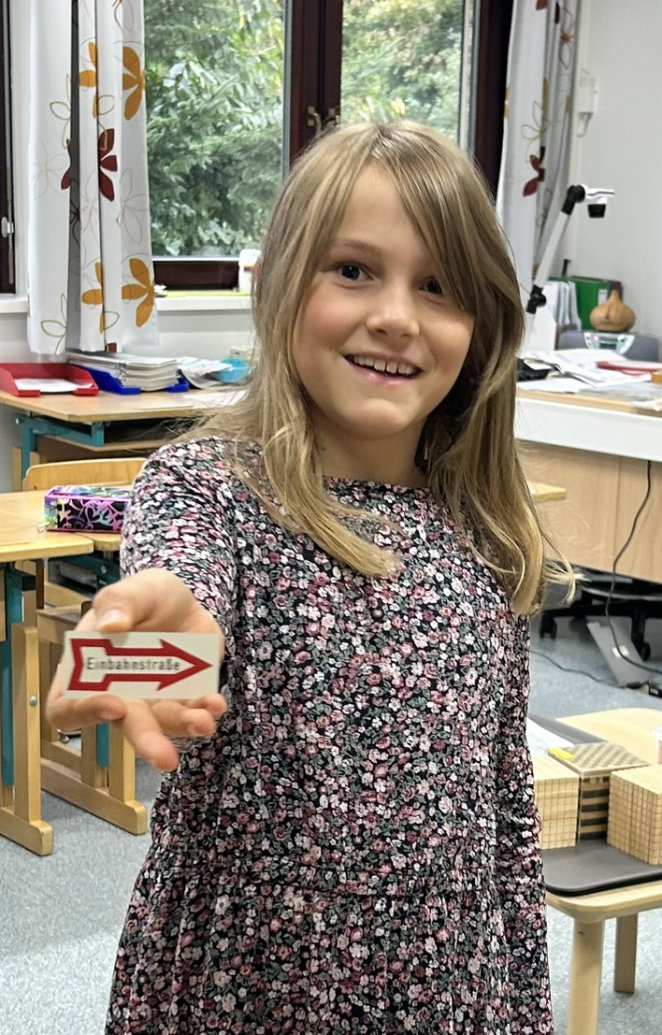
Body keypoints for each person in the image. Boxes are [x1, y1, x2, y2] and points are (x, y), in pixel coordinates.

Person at [47, 120, 568, 1034]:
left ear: (481, 324)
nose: (397, 316)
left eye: (438, 285)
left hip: (449, 986)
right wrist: (123, 658)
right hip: (248, 987)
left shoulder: (482, 528)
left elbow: (505, 809)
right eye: (353, 270)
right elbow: (176, 614)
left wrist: (525, 1003)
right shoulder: (210, 489)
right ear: (283, 284)